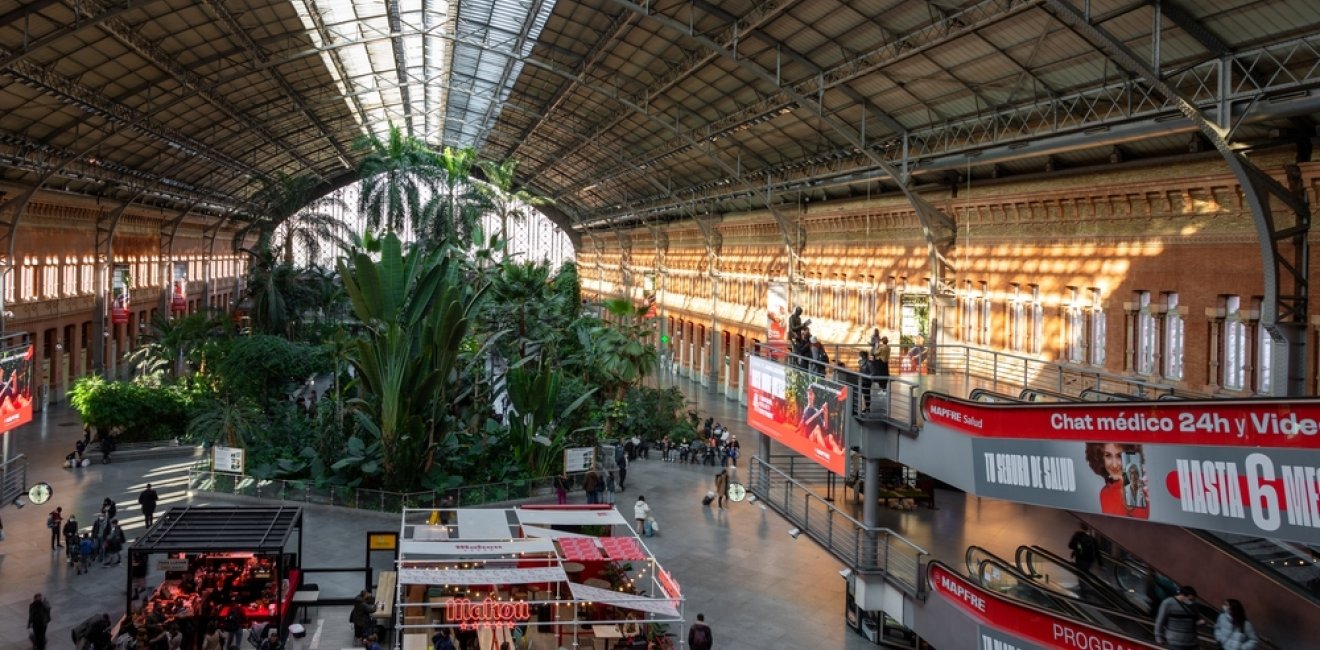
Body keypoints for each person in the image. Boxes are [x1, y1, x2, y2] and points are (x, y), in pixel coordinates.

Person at [1084, 443, 1149, 519]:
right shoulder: (1104, 492)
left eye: (1119, 456)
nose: (1114, 465)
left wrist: (1130, 484)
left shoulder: (1135, 486)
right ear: (1100, 458)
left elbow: (1141, 519)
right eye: (1108, 455)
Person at [1154, 585, 1202, 650]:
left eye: (1193, 600)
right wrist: (1158, 637)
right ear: (1182, 595)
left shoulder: (1194, 605)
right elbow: (1160, 621)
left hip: (1192, 642)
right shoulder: (1168, 603)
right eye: (1190, 599)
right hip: (1174, 642)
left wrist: (1201, 623)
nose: (1191, 602)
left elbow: (1195, 622)